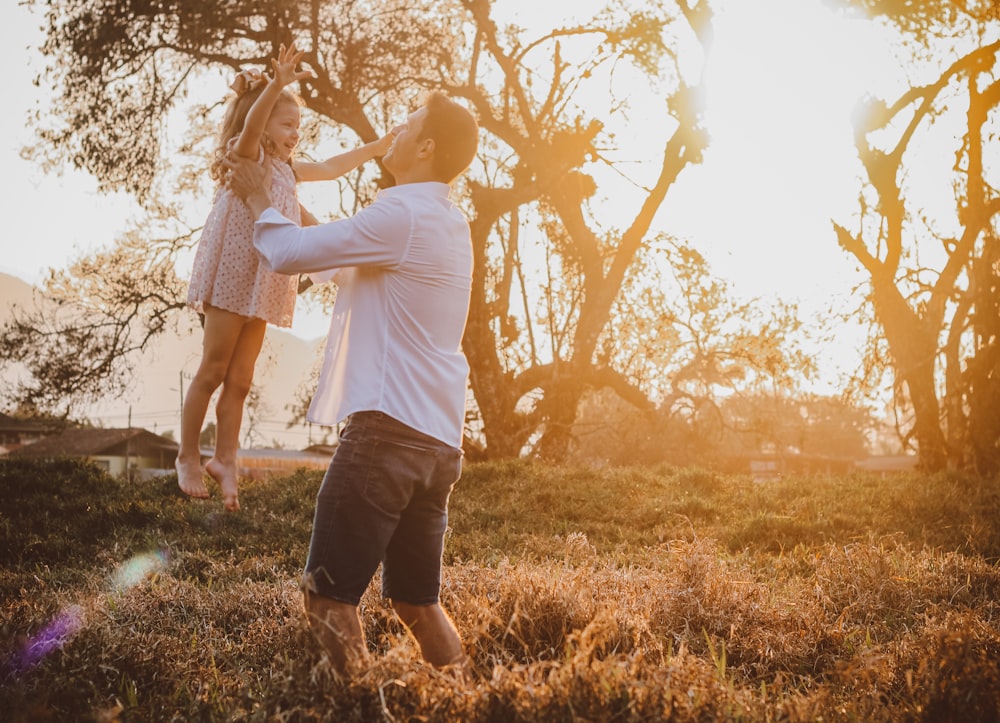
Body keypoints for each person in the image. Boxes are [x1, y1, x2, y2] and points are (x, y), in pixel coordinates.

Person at [224, 91, 479, 675]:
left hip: (385, 436)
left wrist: (260, 195)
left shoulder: (400, 214)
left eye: (408, 122)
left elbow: (287, 254)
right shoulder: (442, 219)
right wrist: (287, 200)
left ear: (426, 146)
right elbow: (339, 260)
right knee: (418, 601)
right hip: (437, 441)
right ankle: (468, 704)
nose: (396, 129)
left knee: (326, 595)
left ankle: (362, 706)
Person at [176, 43, 395, 511]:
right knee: (213, 368)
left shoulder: (288, 170)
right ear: (263, 123)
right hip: (233, 272)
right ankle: (188, 455)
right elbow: (252, 123)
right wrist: (276, 83)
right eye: (288, 124)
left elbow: (334, 168)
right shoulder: (247, 153)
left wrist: (376, 148)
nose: (295, 133)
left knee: (240, 378)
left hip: (264, 276)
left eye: (298, 126)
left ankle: (226, 460)